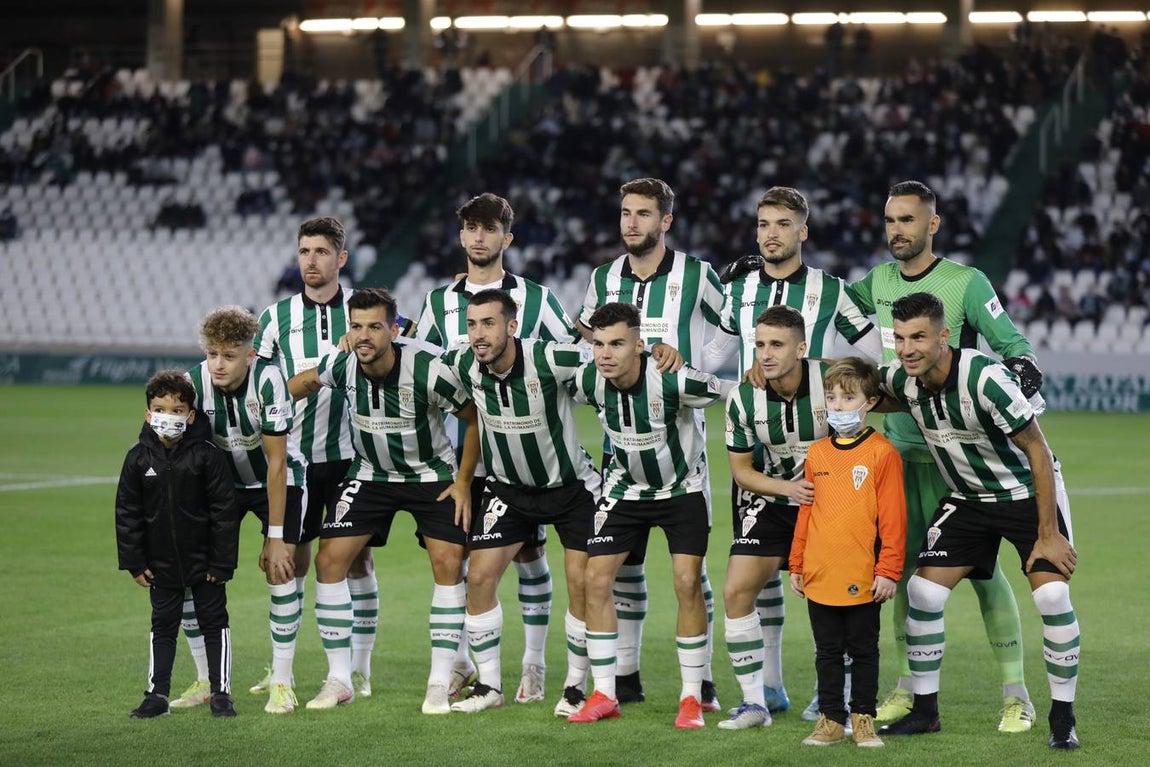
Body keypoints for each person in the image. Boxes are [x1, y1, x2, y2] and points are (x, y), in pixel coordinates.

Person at [847, 180, 1044, 732]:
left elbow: (1011, 341)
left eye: (907, 220)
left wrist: (1024, 368)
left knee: (985, 575)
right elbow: (826, 309)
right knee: (904, 574)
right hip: (895, 457)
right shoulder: (878, 282)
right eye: (890, 221)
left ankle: (1016, 694)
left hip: (958, 462)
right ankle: (911, 690)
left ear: (932, 225)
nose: (896, 232)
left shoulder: (966, 283)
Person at [877, 292, 1080, 750]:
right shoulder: (903, 379)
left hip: (1027, 494)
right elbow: (857, 381)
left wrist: (1047, 535)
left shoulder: (986, 379)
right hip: (969, 498)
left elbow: (1038, 450)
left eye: (919, 337)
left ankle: (1062, 715)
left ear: (944, 336)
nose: (908, 348)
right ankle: (925, 712)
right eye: (901, 338)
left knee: (1051, 596)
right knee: (923, 591)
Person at [714, 186, 878, 719]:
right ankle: (768, 690)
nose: (771, 234)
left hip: (826, 466)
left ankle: (836, 692)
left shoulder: (833, 291)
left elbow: (873, 358)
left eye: (782, 224)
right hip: (763, 463)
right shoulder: (736, 289)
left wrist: (828, 374)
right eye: (763, 224)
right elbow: (714, 352)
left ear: (802, 232)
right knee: (757, 586)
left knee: (833, 590)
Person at [416, 193, 580, 705]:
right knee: (464, 564)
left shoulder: (537, 298)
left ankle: (534, 663)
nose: (479, 237)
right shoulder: (439, 302)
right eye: (471, 228)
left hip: (536, 455)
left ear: (506, 238)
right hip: (472, 455)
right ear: (461, 236)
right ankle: (469, 666)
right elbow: (425, 368)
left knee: (531, 555)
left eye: (489, 229)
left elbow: (572, 358)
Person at [287, 288, 480, 714]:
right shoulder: (341, 364)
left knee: (448, 562)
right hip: (370, 475)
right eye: (356, 326)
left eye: (375, 326)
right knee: (328, 561)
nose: (364, 336)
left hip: (431, 474)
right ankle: (340, 678)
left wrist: (464, 482)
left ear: (395, 330)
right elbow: (299, 384)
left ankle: (439, 679)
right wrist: (263, 401)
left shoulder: (428, 369)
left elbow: (472, 418)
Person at [577, 177, 726, 709]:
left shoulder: (695, 273)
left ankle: (701, 680)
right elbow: (585, 333)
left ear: (665, 221)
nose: (630, 223)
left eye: (642, 214)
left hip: (679, 426)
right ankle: (623, 677)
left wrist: (694, 362)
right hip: (621, 447)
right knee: (624, 570)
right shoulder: (603, 276)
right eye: (625, 213)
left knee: (691, 572)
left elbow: (731, 328)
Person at [566, 303, 734, 729]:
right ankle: (605, 693)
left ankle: (692, 697)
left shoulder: (674, 378)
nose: (605, 354)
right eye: (599, 344)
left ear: (640, 344)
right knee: (594, 578)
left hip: (682, 490)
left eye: (617, 344)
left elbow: (731, 391)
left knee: (686, 582)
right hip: (624, 491)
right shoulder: (589, 379)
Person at [439, 290, 600, 717]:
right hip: (508, 492)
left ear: (512, 326)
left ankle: (574, 687)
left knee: (581, 583)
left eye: (488, 323)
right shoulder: (461, 363)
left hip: (570, 490)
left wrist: (653, 353)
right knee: (479, 579)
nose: (478, 334)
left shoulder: (550, 359)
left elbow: (605, 361)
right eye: (472, 325)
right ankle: (490, 684)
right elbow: (417, 360)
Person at [254, 216, 385, 710]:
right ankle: (281, 669)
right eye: (304, 251)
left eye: (321, 252)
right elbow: (259, 384)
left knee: (357, 562)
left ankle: (359, 668)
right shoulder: (274, 318)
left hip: (354, 460)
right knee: (291, 561)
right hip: (297, 461)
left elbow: (406, 344)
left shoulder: (365, 313)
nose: (311, 260)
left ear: (341, 259)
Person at [176, 306, 308, 712]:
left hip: (276, 480)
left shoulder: (269, 381)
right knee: (187, 573)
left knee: (280, 569)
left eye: (229, 355)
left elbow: (277, 464)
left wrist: (275, 537)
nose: (218, 364)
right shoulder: (192, 383)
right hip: (220, 488)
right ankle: (203, 678)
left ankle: (282, 683)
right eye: (212, 353)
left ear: (249, 355)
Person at [720, 306, 829, 729]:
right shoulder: (743, 397)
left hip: (827, 508)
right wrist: (788, 488)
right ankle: (756, 703)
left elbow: (881, 395)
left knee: (831, 600)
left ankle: (830, 693)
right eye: (760, 344)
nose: (765, 354)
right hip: (772, 500)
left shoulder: (832, 381)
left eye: (777, 345)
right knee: (736, 589)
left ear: (801, 348)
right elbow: (742, 471)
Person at [789, 357, 906, 748]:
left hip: (862, 574)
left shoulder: (882, 453)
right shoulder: (817, 453)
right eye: (832, 397)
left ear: (869, 402)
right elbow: (807, 512)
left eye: (848, 397)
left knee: (863, 651)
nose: (838, 405)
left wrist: (888, 569)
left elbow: (893, 519)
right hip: (820, 571)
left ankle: (863, 718)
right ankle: (830, 720)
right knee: (826, 652)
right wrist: (797, 562)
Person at [116, 370, 239, 719]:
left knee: (215, 623)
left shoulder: (207, 456)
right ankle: (157, 695)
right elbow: (128, 513)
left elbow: (224, 513)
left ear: (191, 415)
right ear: (147, 414)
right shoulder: (138, 459)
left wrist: (222, 563)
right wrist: (135, 562)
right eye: (159, 409)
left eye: (176, 410)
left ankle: (221, 692)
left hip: (205, 565)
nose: (167, 417)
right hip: (161, 564)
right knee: (163, 626)